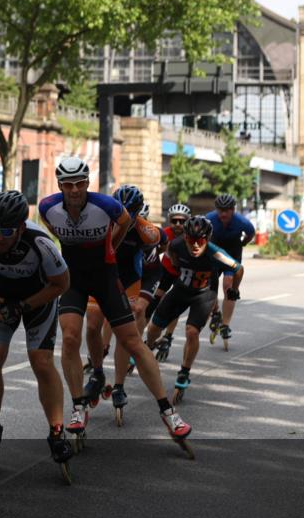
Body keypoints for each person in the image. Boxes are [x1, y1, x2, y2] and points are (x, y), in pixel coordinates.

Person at [38, 157, 192, 454]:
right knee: (70, 336)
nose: (74, 190)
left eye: (80, 184)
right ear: (60, 185)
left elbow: (127, 224)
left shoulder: (107, 206)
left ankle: (168, 412)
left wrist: (110, 247)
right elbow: (55, 232)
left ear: (88, 183)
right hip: (74, 279)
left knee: (132, 341)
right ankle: (79, 406)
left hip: (106, 277)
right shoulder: (48, 207)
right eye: (68, 185)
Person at [0, 190, 74, 482]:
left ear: (21, 228)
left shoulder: (40, 243)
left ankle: (57, 431)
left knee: (41, 362)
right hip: (1, 296)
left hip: (38, 298)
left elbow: (62, 284)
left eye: (6, 232)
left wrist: (24, 306)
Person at [81, 185, 162, 426]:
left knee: (126, 334)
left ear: (138, 213)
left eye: (130, 213)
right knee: (92, 325)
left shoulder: (146, 232)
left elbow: (155, 269)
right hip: (102, 277)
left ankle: (118, 385)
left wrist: (145, 298)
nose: (123, 216)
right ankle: (97, 372)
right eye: (119, 210)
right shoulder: (99, 221)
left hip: (129, 282)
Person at [146, 215, 243, 403]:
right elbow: (171, 256)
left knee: (192, 332)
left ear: (208, 239)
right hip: (181, 290)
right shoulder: (176, 245)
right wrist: (176, 268)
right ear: (185, 237)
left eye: (201, 241)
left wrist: (234, 289)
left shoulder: (216, 253)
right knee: (154, 328)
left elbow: (238, 268)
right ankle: (148, 346)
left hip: (204, 295)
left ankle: (184, 372)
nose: (196, 245)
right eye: (191, 240)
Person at [206, 194, 255, 348]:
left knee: (229, 287)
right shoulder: (209, 219)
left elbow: (250, 234)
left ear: (233, 210)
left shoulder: (243, 222)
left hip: (232, 256)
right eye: (220, 210)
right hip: (215, 255)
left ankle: (225, 325)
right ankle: (215, 312)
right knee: (209, 288)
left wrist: (243, 243)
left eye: (227, 210)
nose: (223, 214)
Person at [147, 203, 191, 361]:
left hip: (182, 273)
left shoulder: (191, 235)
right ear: (169, 221)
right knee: (153, 302)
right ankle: (143, 336)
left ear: (187, 221)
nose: (178, 224)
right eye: (174, 221)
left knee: (174, 304)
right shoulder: (164, 233)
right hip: (165, 271)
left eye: (182, 221)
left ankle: (168, 336)